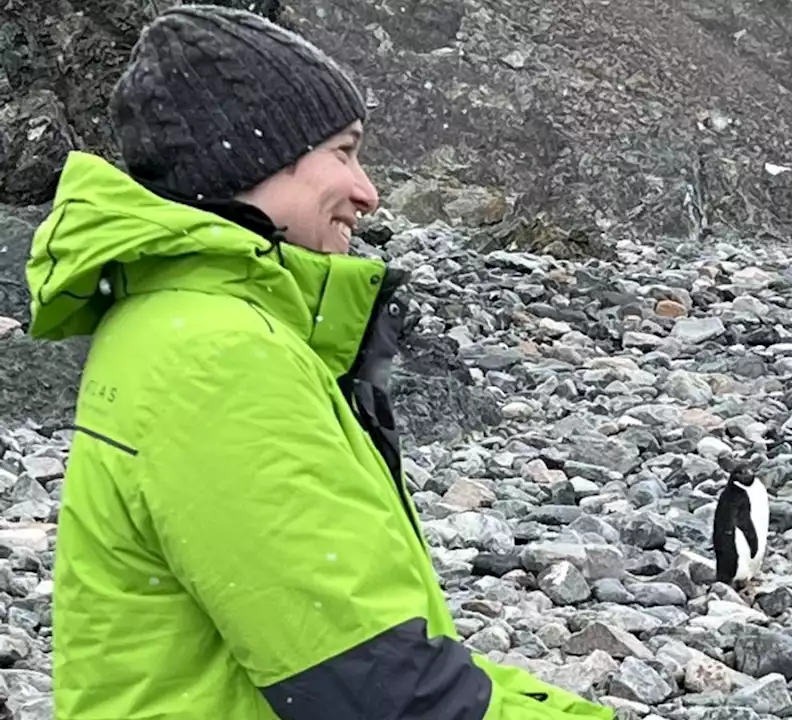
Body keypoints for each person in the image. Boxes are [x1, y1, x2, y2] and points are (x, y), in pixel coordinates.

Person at [24, 5, 613, 719]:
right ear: (252, 155)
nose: (366, 191)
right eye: (343, 151)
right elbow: (377, 691)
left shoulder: (178, 320)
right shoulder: (218, 358)